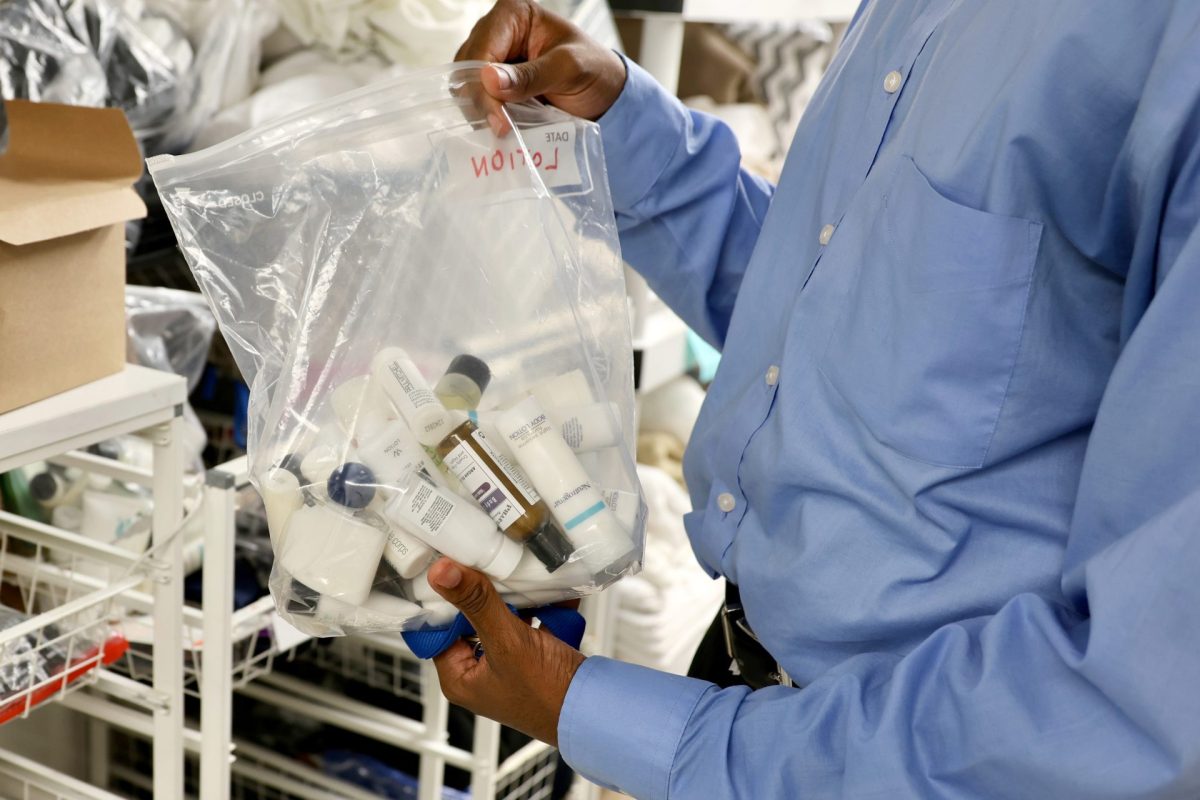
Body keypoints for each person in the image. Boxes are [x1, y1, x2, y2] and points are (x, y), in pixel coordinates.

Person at [421, 1, 1200, 797]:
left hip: (904, 757)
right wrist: (619, 124)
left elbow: (1138, 711)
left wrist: (617, 720)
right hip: (744, 681)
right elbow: (850, 320)